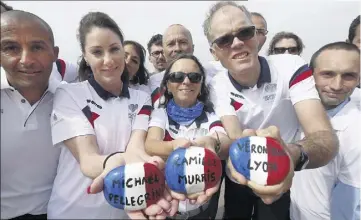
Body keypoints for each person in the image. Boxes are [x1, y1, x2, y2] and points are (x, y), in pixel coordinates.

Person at [202, 1, 338, 220]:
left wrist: (292, 154)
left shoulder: (290, 66)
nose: (237, 43)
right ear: (214, 51)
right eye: (225, 39)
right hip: (238, 174)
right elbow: (235, 138)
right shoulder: (215, 85)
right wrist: (214, 144)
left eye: (244, 32)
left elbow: (324, 137)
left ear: (257, 36)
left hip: (283, 172)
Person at [47, 11, 171, 219]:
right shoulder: (68, 94)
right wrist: (116, 161)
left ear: (123, 50)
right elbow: (87, 160)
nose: (108, 60)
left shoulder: (141, 98)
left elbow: (135, 148)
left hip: (123, 210)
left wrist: (153, 173)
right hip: (71, 211)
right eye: (97, 52)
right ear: (85, 56)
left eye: (114, 49)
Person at [145, 54, 232, 219]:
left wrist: (213, 142)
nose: (186, 82)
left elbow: (224, 140)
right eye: (177, 77)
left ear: (200, 85)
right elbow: (150, 144)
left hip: (203, 210)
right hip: (166, 209)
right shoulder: (160, 114)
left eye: (194, 77)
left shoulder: (210, 115)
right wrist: (173, 146)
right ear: (168, 86)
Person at [1, 10, 62, 220]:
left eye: (37, 47)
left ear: (55, 53)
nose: (26, 60)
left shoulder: (73, 101)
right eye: (11, 48)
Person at [290, 42, 360, 220]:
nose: (337, 85)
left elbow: (352, 209)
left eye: (349, 76)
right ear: (310, 75)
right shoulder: (295, 109)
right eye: (327, 74)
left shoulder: (356, 132)